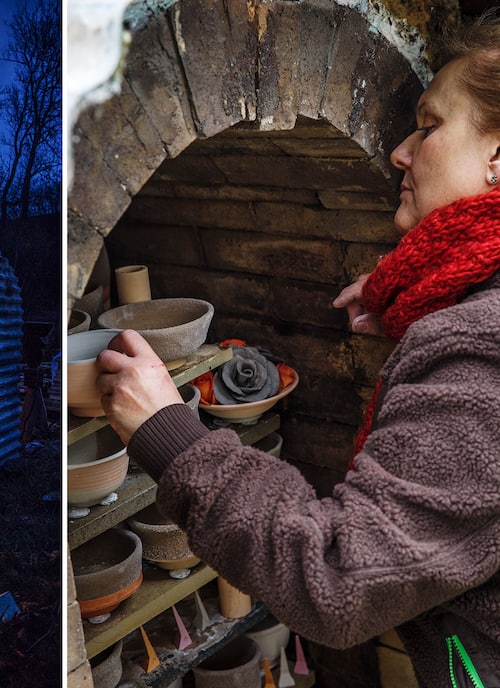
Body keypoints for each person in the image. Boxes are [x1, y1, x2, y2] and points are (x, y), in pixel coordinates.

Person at [95, 12, 500, 688]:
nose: (401, 152)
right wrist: (423, 295)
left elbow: (339, 580)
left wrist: (171, 434)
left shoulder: (481, 346)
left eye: (429, 126)